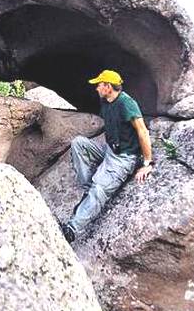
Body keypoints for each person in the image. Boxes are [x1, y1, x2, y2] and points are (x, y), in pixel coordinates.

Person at [60, 69, 154, 243]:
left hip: (124, 158)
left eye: (99, 85)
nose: (96, 88)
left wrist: (147, 163)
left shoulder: (127, 103)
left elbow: (142, 131)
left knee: (99, 190)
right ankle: (89, 191)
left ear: (108, 87)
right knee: (78, 143)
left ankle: (72, 229)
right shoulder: (106, 101)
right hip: (109, 151)